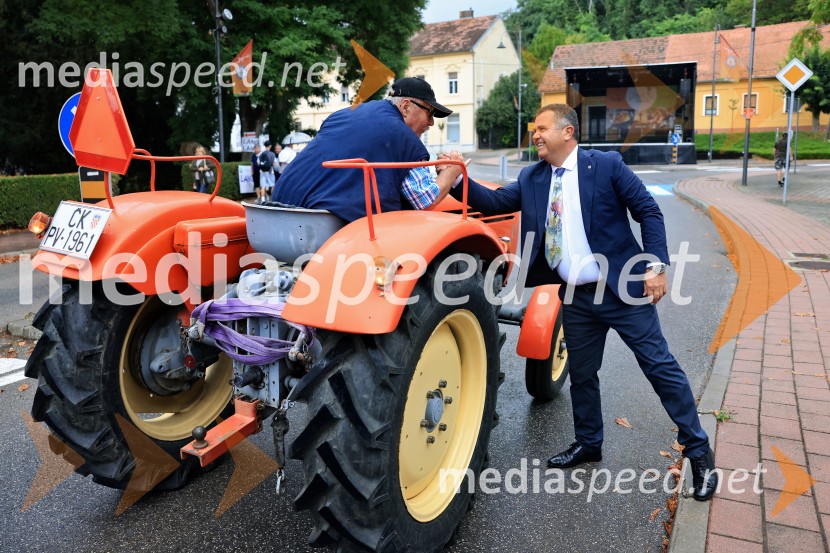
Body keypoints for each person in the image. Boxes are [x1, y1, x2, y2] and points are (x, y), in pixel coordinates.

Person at [449, 104, 718, 501]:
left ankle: (699, 452)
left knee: (659, 367)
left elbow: (648, 211)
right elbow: (493, 204)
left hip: (622, 290)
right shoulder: (533, 177)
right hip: (574, 296)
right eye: (533, 129)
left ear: (568, 132)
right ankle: (589, 443)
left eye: (542, 128)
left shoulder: (605, 166)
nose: (535, 135)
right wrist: (457, 179)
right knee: (583, 374)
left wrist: (656, 264)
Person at [272, 77, 463, 222]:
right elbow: (425, 200)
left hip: (275, 212)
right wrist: (453, 170)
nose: (431, 122)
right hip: (322, 226)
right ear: (405, 107)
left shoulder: (343, 115)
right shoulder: (403, 137)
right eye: (429, 113)